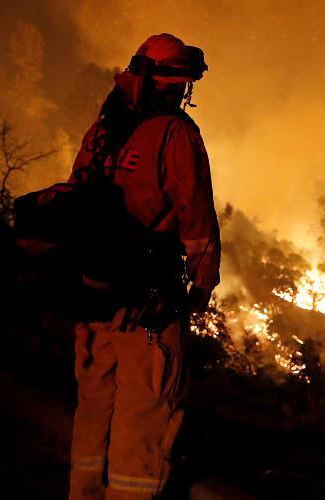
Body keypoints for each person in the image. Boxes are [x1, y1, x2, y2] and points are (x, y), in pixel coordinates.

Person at [66, 33, 220, 500]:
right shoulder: (176, 133)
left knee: (94, 411)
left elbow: (73, 197)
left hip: (94, 300)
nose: (183, 91)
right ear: (170, 83)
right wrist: (201, 283)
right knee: (146, 413)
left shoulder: (101, 131)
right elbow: (196, 218)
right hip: (147, 310)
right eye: (182, 82)